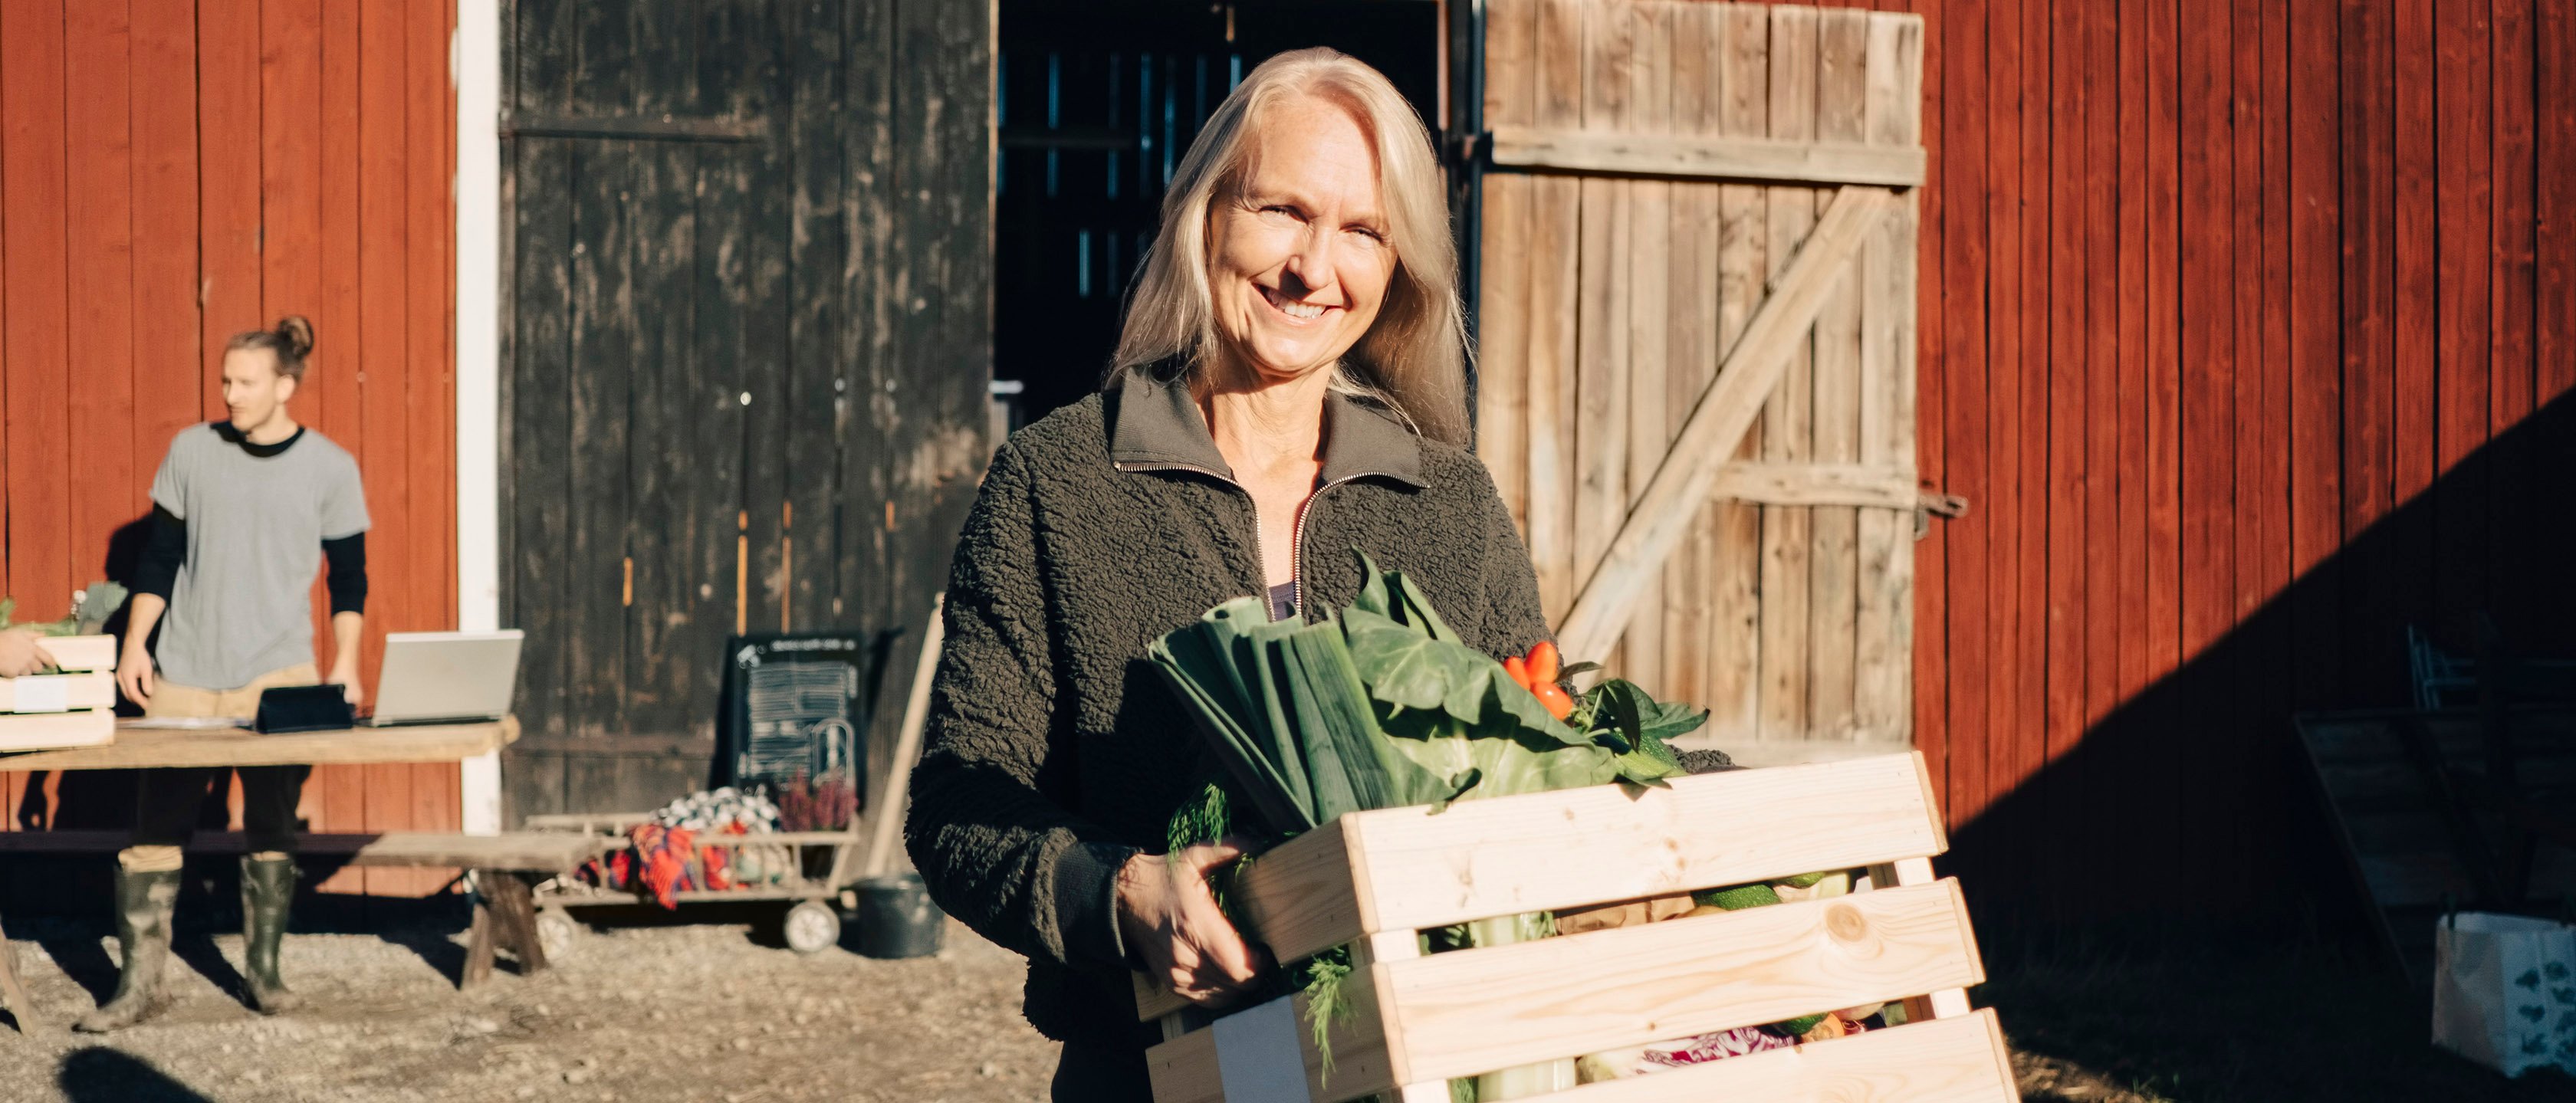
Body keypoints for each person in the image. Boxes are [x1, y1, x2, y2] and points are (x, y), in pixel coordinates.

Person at [904, 50, 1552, 1098]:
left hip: (1424, 1060)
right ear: (1207, 214)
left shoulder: (1449, 502)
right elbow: (957, 801)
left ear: (1400, 265)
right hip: (1159, 1070)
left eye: (1363, 230)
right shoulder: (1059, 481)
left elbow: (1533, 732)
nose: (1314, 267)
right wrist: (1119, 893)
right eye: (1283, 211)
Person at [77, 316, 371, 1032]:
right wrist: (137, 644)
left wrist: (347, 666)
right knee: (155, 826)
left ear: (284, 385)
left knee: (272, 823)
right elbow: (159, 559)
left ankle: (265, 976)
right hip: (188, 670)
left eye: (244, 382)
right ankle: (136, 983)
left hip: (281, 674)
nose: (229, 393)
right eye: (224, 380)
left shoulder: (330, 468)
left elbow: (350, 579)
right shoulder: (192, 451)